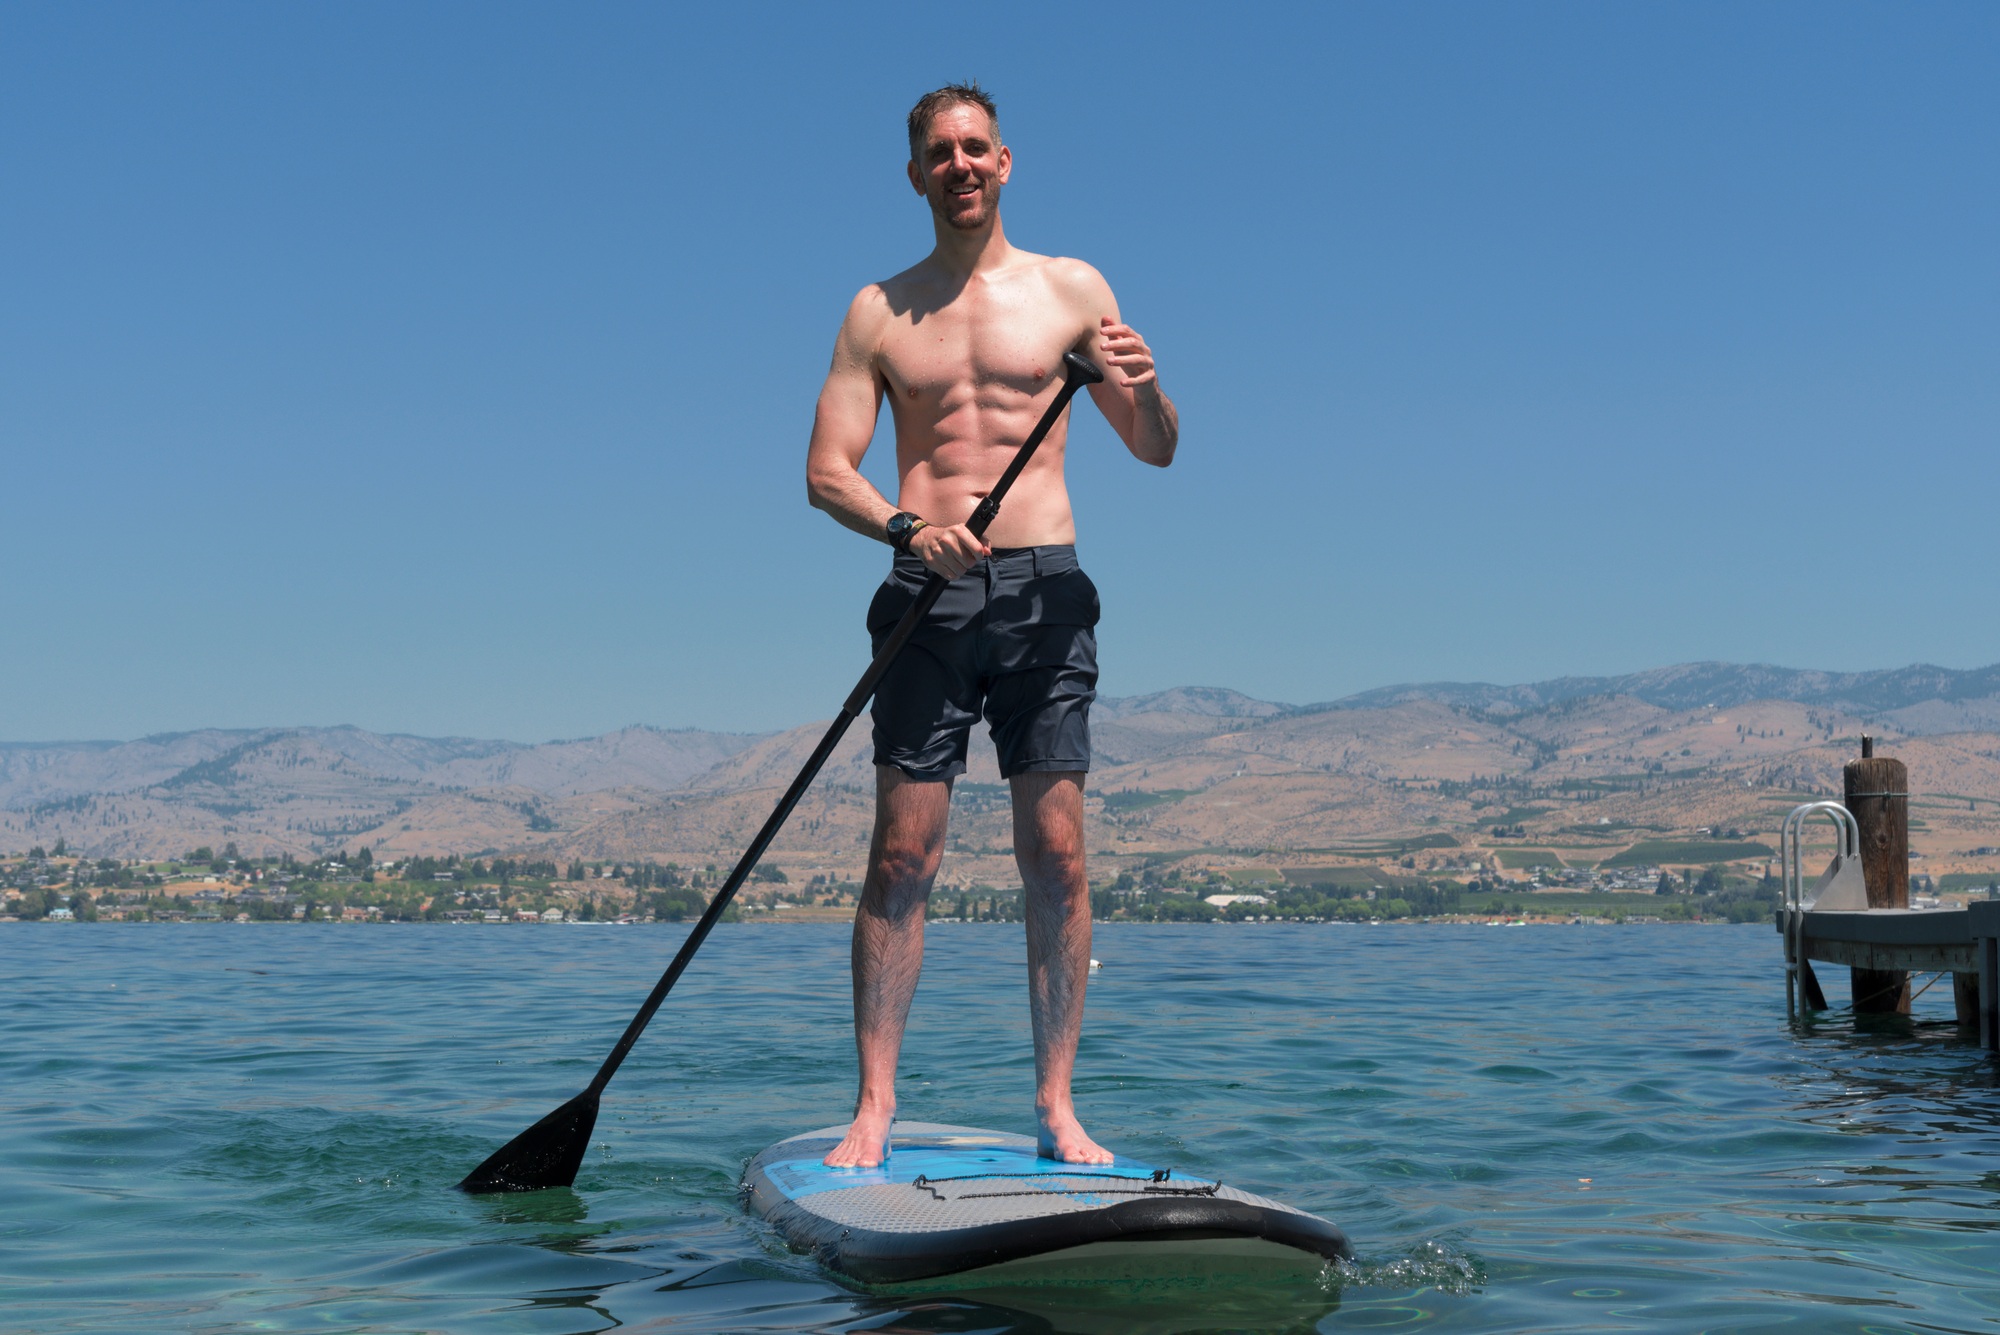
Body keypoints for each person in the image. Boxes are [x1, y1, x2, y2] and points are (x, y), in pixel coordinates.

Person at [805, 83, 1178, 1168]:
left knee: (1055, 854)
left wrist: (1150, 392)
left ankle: (1057, 1107)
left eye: (975, 147)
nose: (959, 165)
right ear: (915, 174)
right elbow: (827, 473)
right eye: (938, 152)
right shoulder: (878, 310)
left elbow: (1151, 448)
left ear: (1004, 162)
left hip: (1043, 592)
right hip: (926, 592)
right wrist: (906, 526)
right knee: (901, 855)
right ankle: (872, 1108)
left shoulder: (1073, 289)